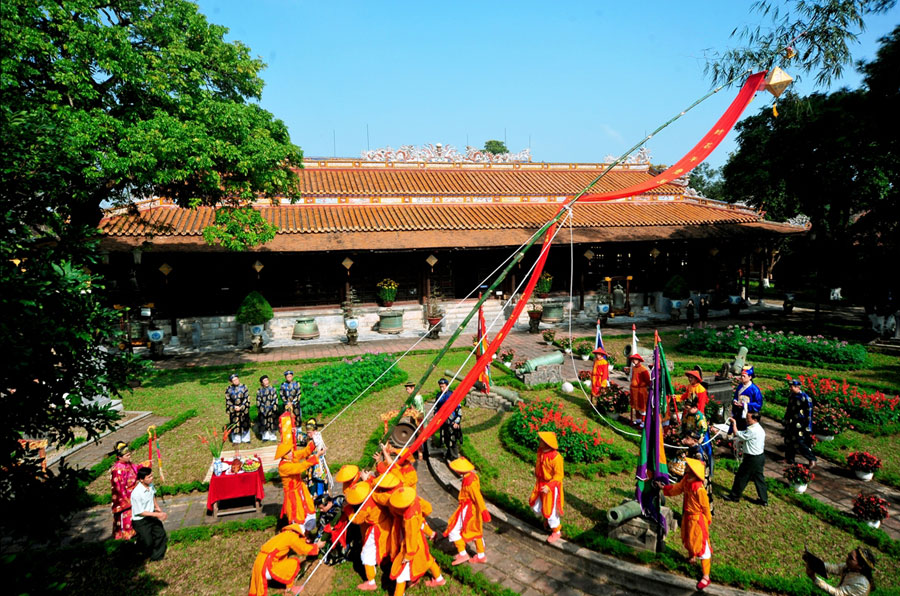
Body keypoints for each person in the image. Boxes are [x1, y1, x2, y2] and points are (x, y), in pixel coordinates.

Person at [657, 458, 713, 591]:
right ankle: (692, 558)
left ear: (693, 471)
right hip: (688, 517)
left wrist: (707, 520)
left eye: (688, 466)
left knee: (701, 545)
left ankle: (706, 576)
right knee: (688, 538)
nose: (685, 466)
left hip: (697, 520)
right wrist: (664, 488)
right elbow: (677, 488)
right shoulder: (687, 480)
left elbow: (706, 507)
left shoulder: (699, 489)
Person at [387, 486, 445, 595]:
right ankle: (439, 579)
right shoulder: (416, 501)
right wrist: (430, 532)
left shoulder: (409, 517)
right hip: (419, 541)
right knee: (427, 559)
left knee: (400, 574)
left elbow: (411, 536)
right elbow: (424, 517)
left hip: (413, 546)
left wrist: (409, 554)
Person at [347, 474, 399, 591]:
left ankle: (371, 581)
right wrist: (368, 478)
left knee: (367, 554)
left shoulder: (364, 507)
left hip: (376, 530)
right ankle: (386, 563)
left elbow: (357, 519)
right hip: (386, 523)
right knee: (387, 546)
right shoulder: (373, 490)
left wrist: (348, 510)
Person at [248, 523, 320, 596]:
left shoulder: (284, 534)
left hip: (259, 564)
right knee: (293, 563)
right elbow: (302, 548)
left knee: (285, 561)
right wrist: (316, 546)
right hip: (267, 566)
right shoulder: (292, 536)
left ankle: (279, 583)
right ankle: (289, 588)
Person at [444, 457, 490, 565]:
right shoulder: (472, 476)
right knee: (475, 530)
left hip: (468, 508)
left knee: (453, 529)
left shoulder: (469, 482)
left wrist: (484, 511)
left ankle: (462, 553)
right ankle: (481, 556)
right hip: (473, 509)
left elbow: (477, 496)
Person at [277, 430, 323, 530]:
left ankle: (308, 532)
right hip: (293, 494)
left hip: (301, 488)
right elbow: (300, 467)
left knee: (308, 509)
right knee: (298, 514)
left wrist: (314, 441)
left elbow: (304, 452)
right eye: (288, 452)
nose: (291, 453)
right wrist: (316, 456)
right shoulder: (283, 467)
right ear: (284, 455)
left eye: (290, 450)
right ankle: (300, 533)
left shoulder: (291, 457)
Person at [723, 411, 768, 506]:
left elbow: (737, 433)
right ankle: (764, 500)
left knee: (741, 477)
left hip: (752, 459)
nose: (746, 420)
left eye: (748, 418)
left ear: (755, 419)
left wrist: (734, 423)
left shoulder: (752, 430)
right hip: (759, 457)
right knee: (759, 478)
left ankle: (734, 496)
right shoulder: (759, 428)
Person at [680, 396, 715, 514]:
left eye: (688, 407)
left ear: (694, 407)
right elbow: (684, 426)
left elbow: (702, 432)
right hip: (692, 442)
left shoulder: (700, 417)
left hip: (700, 444)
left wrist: (693, 440)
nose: (686, 409)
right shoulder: (687, 415)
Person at [109, 441, 149, 540]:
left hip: (134, 495)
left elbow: (136, 469)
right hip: (126, 499)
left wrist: (144, 465)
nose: (129, 456)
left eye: (129, 454)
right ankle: (126, 540)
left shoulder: (128, 464)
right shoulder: (117, 470)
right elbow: (119, 489)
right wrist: (127, 501)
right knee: (127, 522)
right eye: (127, 455)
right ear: (119, 457)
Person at [529, 431, 564, 543]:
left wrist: (549, 487)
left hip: (550, 488)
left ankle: (556, 531)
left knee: (551, 509)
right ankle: (547, 521)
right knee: (537, 503)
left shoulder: (556, 458)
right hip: (540, 484)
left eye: (542, 440)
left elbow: (559, 476)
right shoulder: (541, 452)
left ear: (547, 443)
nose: (539, 441)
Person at [805, 547, 877, 596]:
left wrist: (814, 578)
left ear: (860, 566)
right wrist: (813, 561)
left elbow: (838, 593)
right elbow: (834, 568)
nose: (847, 558)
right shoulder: (849, 567)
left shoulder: (861, 584)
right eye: (848, 555)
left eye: (851, 558)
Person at [131, 467, 168, 561]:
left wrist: (157, 507)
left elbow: (152, 495)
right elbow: (140, 512)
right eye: (149, 477)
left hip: (151, 516)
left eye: (152, 476)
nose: (152, 478)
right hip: (141, 520)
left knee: (160, 534)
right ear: (141, 479)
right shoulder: (136, 493)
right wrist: (158, 515)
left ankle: (156, 557)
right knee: (148, 542)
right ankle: (137, 548)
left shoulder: (150, 485)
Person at [784, 379, 816, 468]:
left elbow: (809, 413)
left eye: (792, 387)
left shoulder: (805, 398)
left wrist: (808, 426)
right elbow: (789, 409)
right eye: (790, 387)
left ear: (798, 387)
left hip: (800, 423)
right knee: (788, 440)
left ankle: (811, 458)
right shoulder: (792, 396)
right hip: (791, 422)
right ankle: (789, 458)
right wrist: (786, 419)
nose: (791, 388)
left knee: (799, 442)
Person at [313, 493, 350, 566]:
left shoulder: (339, 501)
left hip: (348, 525)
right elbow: (322, 528)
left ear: (327, 503)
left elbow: (350, 501)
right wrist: (317, 542)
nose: (321, 510)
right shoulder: (323, 515)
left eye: (321, 508)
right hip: (335, 531)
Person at [435, 379, 461, 461]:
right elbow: (436, 407)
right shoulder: (438, 395)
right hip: (443, 420)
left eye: (443, 387)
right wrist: (436, 414)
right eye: (440, 387)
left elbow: (458, 409)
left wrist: (457, 422)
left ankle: (455, 456)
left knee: (452, 439)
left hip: (452, 420)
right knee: (446, 438)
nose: (442, 389)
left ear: (447, 386)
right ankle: (448, 454)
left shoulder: (452, 395)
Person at [731, 365, 763, 431]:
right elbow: (736, 396)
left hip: (748, 414)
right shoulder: (740, 386)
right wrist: (735, 401)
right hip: (738, 412)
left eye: (744, 376)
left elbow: (758, 404)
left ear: (750, 377)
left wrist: (745, 405)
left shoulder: (755, 389)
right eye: (741, 376)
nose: (742, 378)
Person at [304, 418, 329, 497]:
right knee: (311, 483)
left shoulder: (318, 439)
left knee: (321, 481)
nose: (309, 434)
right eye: (307, 432)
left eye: (310, 432)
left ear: (314, 431)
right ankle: (313, 497)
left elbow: (321, 450)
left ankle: (321, 497)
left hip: (318, 465)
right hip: (310, 465)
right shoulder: (308, 440)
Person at [225, 373, 251, 443]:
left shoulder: (244, 387)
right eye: (234, 380)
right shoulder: (229, 389)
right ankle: (236, 440)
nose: (236, 381)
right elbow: (228, 400)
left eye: (237, 379)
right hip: (234, 410)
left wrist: (241, 406)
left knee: (245, 424)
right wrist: (234, 407)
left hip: (243, 409)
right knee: (235, 425)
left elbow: (247, 398)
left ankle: (246, 439)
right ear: (231, 382)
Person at [628, 353, 651, 426]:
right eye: (633, 359)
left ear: (639, 360)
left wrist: (642, 385)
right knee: (635, 405)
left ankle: (643, 422)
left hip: (641, 391)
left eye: (636, 359)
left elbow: (647, 381)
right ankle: (638, 420)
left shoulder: (643, 370)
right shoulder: (634, 368)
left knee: (642, 406)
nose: (634, 361)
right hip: (634, 390)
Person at [256, 375, 279, 442]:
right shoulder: (259, 391)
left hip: (272, 408)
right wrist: (263, 408)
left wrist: (271, 407)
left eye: (267, 380)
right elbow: (258, 400)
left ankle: (272, 435)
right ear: (262, 383)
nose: (266, 382)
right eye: (264, 381)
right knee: (264, 422)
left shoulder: (273, 389)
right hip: (263, 409)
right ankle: (265, 436)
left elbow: (275, 399)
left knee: (272, 422)